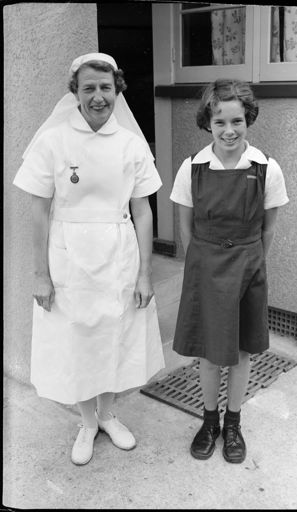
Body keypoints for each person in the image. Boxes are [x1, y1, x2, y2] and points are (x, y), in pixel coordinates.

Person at [13, 53, 165, 466]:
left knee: (115, 335)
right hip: (68, 258)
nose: (98, 97)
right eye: (88, 89)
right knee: (78, 340)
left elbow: (144, 211)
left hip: (119, 253)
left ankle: (109, 415)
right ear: (75, 93)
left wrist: (145, 273)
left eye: (105, 87)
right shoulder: (54, 141)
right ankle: (86, 422)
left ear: (117, 89)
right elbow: (39, 211)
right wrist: (40, 275)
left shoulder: (132, 144)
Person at [170, 79, 289, 463]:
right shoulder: (192, 168)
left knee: (239, 352)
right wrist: (201, 263)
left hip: (247, 267)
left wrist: (251, 261)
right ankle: (209, 422)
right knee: (208, 353)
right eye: (219, 122)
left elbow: (268, 228)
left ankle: (233, 423)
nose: (229, 130)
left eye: (237, 121)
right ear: (208, 122)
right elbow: (185, 228)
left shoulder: (266, 168)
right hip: (205, 268)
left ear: (248, 119)